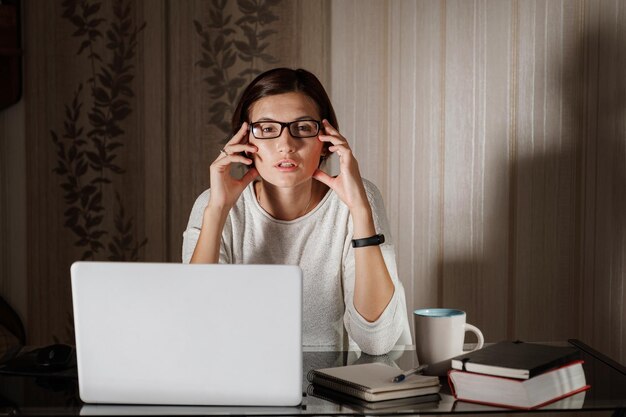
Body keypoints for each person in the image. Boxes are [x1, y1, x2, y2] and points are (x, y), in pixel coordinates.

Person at [182, 68, 410, 355]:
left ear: (326, 140)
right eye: (266, 129)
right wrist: (217, 211)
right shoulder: (211, 203)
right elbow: (194, 326)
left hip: (327, 391)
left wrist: (360, 210)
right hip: (237, 385)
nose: (286, 145)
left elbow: (377, 342)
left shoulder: (358, 198)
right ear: (245, 142)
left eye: (302, 128)